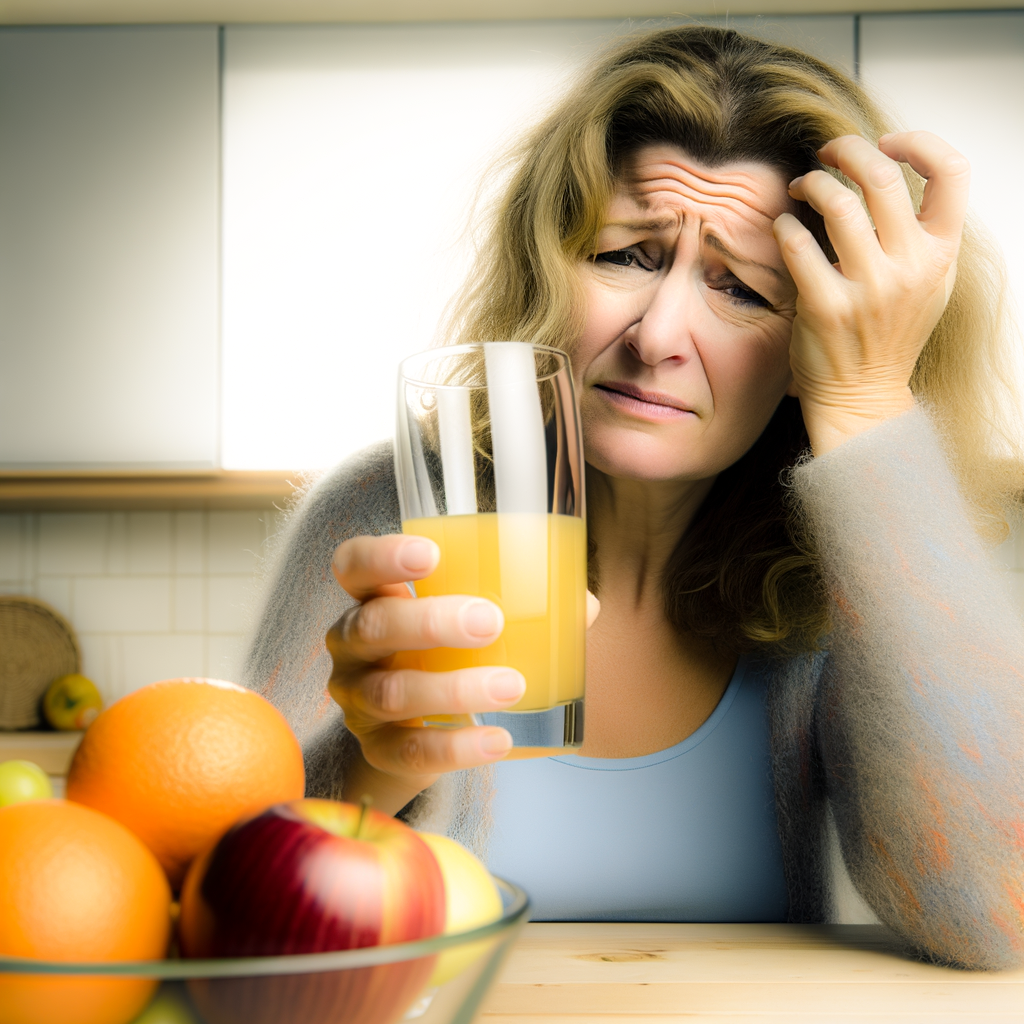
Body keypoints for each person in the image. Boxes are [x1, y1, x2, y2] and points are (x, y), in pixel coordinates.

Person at [244, 26, 1024, 969]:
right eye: (627, 257)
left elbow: (994, 916)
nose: (658, 336)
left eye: (741, 287)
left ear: (813, 339)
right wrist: (369, 766)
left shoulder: (842, 569)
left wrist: (865, 403)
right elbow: (225, 889)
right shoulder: (389, 508)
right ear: (548, 268)